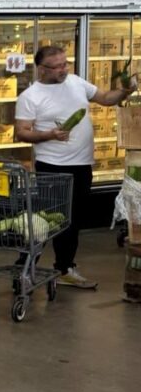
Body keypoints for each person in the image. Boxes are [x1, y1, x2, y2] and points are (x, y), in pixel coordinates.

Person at [14, 45, 135, 288]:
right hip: (53, 166)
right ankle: (24, 266)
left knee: (73, 220)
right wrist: (49, 134)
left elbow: (105, 99)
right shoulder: (30, 97)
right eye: (57, 66)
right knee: (46, 221)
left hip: (82, 164)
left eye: (65, 63)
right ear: (41, 69)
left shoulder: (77, 82)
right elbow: (21, 132)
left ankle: (65, 268)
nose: (63, 69)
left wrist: (125, 91)